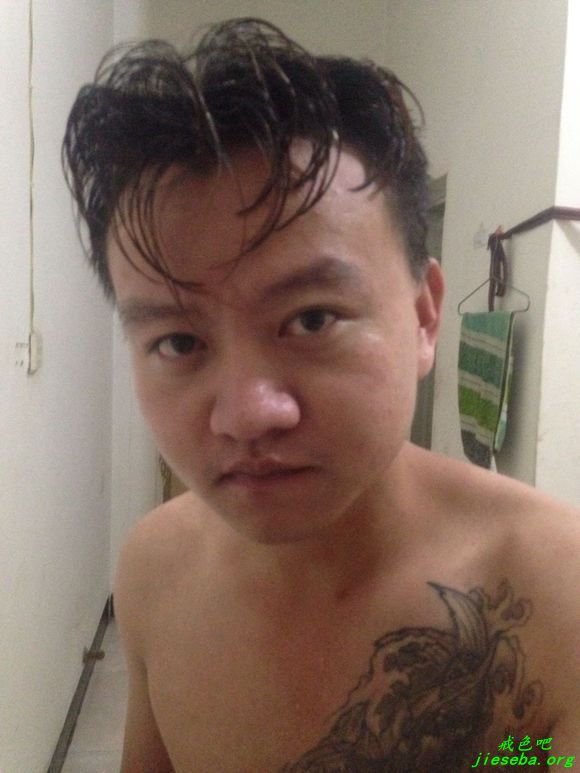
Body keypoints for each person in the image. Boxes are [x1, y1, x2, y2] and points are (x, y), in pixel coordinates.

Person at [63, 17, 580, 773]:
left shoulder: (557, 591)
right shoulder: (155, 570)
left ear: (424, 315)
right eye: (178, 341)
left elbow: (525, 755)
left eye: (311, 319)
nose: (246, 415)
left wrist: (507, 756)